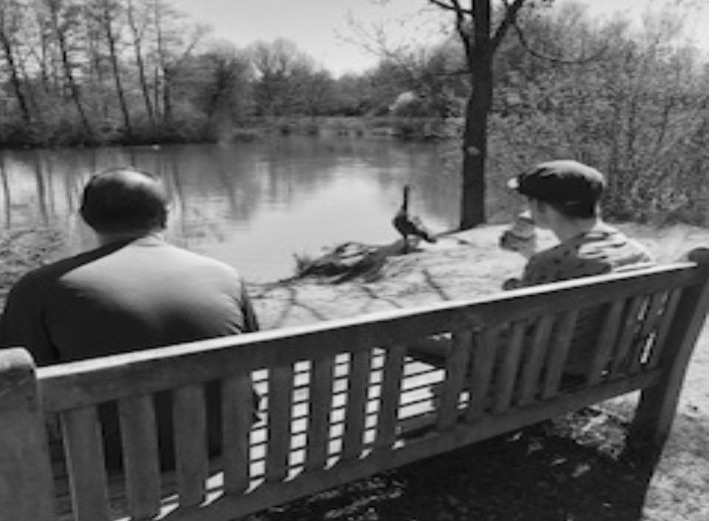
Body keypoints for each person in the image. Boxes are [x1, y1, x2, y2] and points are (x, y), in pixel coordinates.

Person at [0, 167, 260, 468]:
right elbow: (251, 358)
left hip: (111, 458)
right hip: (222, 439)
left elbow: (14, 384)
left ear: (86, 218)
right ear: (164, 216)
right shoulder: (224, 274)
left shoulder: (39, 287)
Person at [408, 160, 654, 381]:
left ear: (543, 208)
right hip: (603, 361)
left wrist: (514, 285)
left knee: (414, 335)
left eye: (529, 202)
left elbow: (516, 324)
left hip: (546, 366)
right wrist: (530, 256)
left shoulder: (549, 263)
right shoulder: (636, 252)